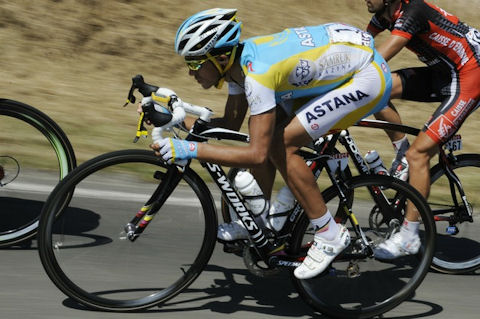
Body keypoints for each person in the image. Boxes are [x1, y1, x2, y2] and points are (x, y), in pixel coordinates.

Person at [153, 8, 392, 279]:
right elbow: (230, 125)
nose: (190, 72)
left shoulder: (258, 76)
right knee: (270, 135)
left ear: (220, 57)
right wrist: (175, 119)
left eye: (195, 64)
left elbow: (257, 154)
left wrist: (189, 149)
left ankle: (329, 233)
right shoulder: (235, 68)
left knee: (278, 144)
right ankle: (259, 220)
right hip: (334, 62)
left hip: (366, 77)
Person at [364, 0, 480, 259]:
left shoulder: (412, 13)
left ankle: (408, 235)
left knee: (419, 155)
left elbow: (377, 59)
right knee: (374, 89)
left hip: (471, 76)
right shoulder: (385, 13)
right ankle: (400, 153)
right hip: (446, 72)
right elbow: (360, 45)